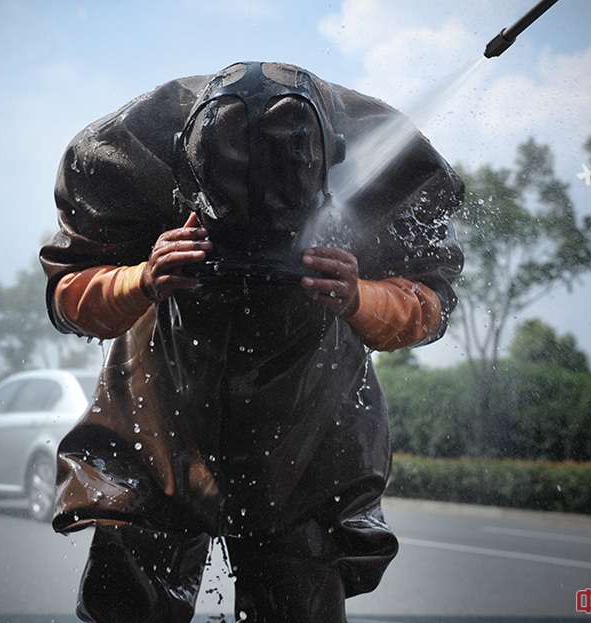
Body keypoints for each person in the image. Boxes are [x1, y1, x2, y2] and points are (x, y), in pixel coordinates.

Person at [40, 61, 464, 623]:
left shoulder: (381, 168)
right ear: (185, 170)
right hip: (157, 437)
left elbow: (428, 305)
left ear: (327, 167)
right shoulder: (129, 157)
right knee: (125, 604)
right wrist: (142, 278)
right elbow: (70, 296)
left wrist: (359, 296)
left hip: (306, 454)